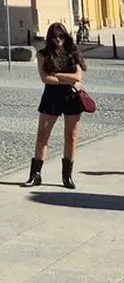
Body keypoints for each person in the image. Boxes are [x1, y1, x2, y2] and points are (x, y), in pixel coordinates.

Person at [25, 21, 87, 190]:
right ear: (49, 37)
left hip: (71, 97)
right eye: (54, 36)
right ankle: (35, 175)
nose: (57, 39)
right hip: (51, 97)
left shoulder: (73, 53)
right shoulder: (43, 54)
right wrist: (68, 79)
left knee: (71, 137)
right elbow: (45, 78)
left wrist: (58, 75)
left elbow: (78, 77)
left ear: (65, 36)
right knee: (42, 136)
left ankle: (67, 176)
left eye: (60, 35)